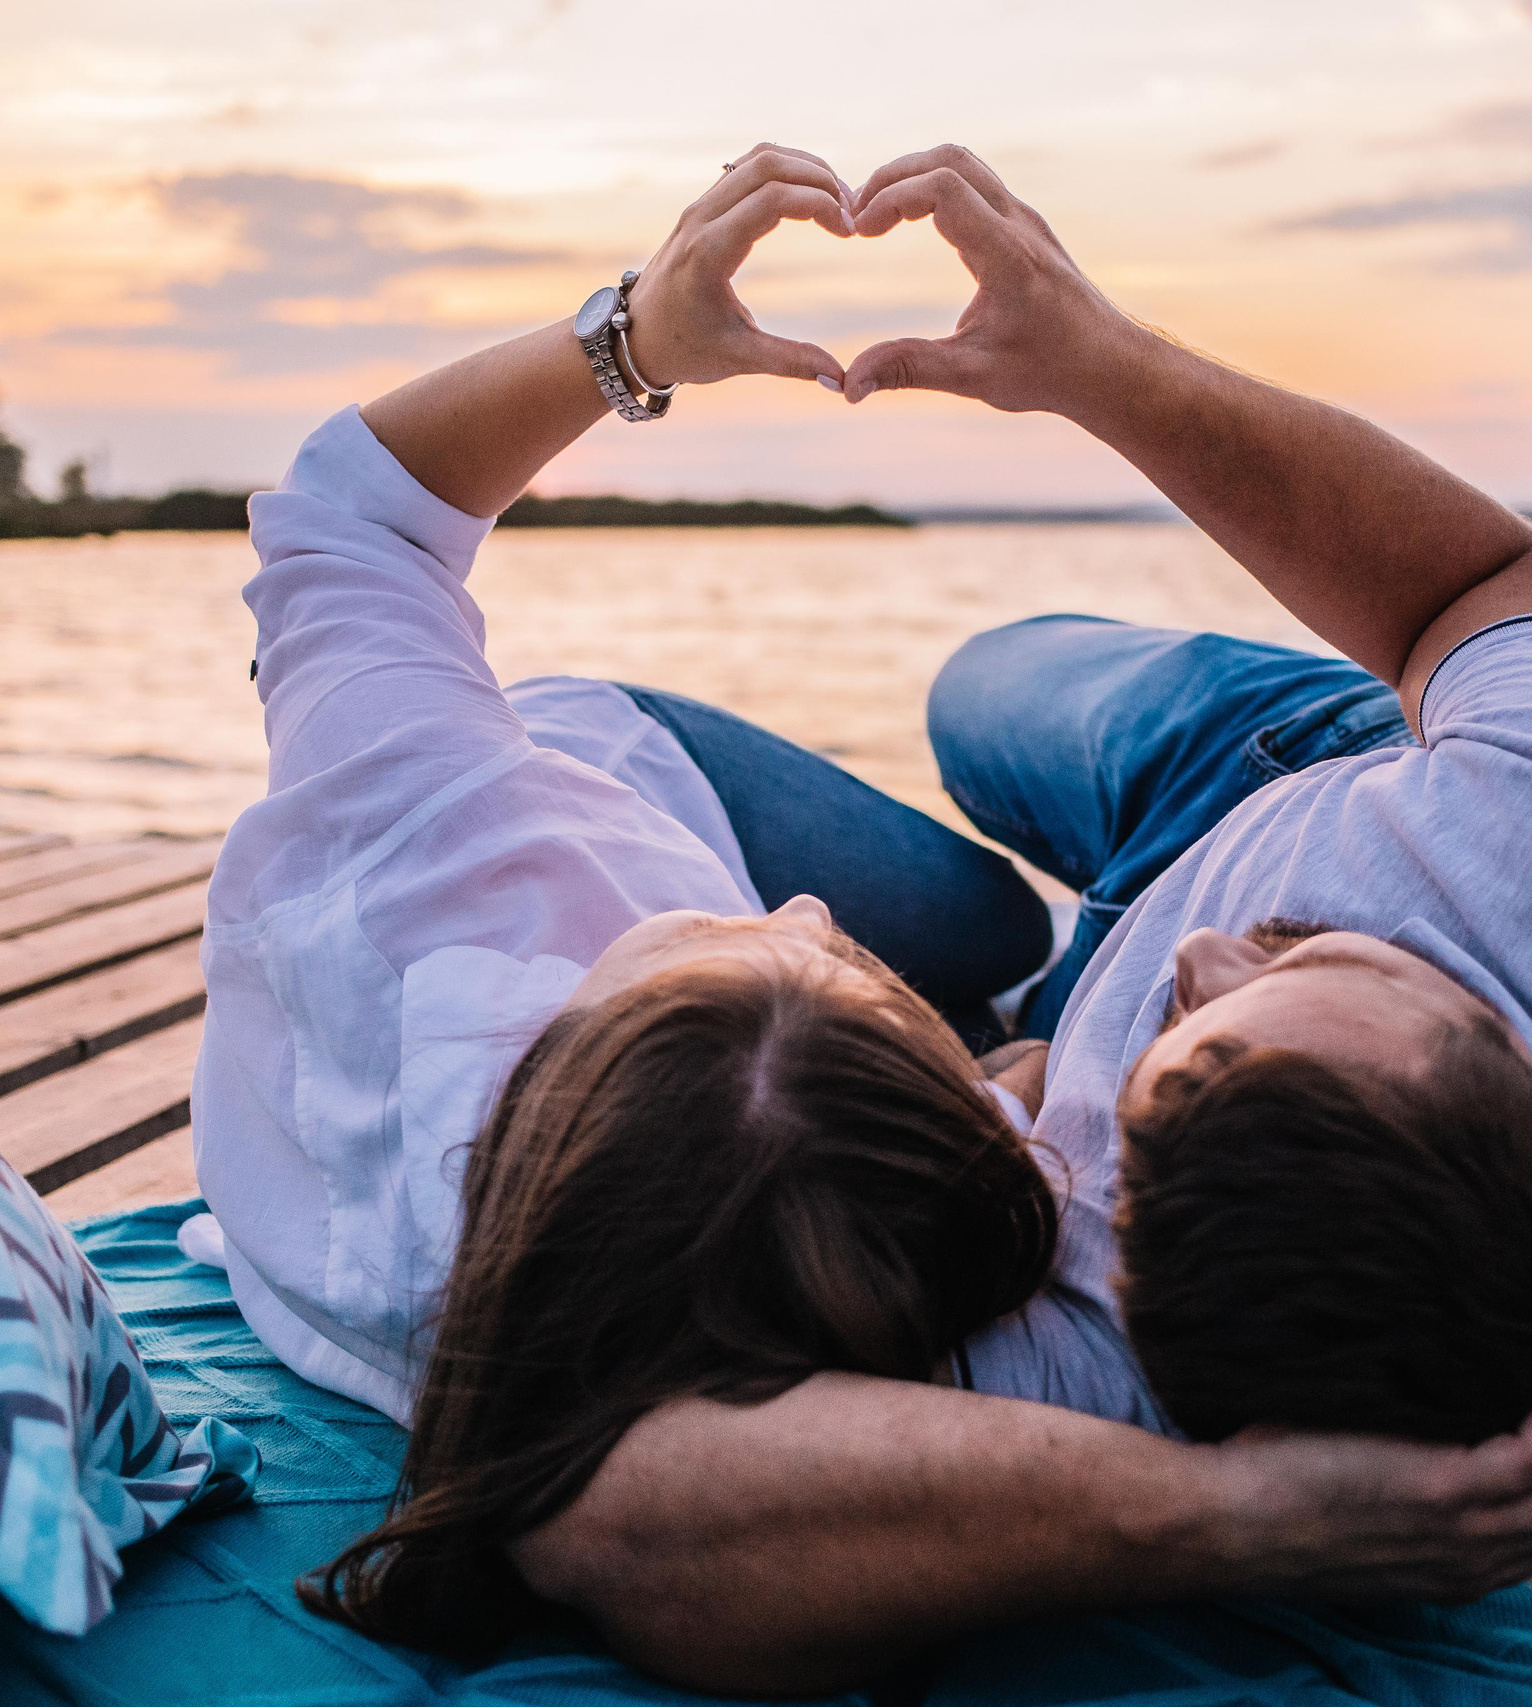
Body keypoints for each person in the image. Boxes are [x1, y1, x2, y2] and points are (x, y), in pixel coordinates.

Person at [509, 143, 1532, 1689]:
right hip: (1320, 758)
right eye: (1316, 958)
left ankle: (1016, 977)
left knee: (567, 729)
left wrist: (1222, 1516)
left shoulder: (1135, 1360)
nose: (1212, 946)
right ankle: (1033, 979)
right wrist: (1096, 363)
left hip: (1190, 964)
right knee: (982, 692)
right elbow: (1465, 588)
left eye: (1179, 1050)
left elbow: (593, 1514)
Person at [186, 144, 1072, 1651]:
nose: (802, 918)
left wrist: (632, 342)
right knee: (1019, 938)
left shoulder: (434, 847)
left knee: (1005, 931)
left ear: (561, 1049)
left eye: (731, 951)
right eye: (844, 981)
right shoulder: (873, 1240)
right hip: (699, 908)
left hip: (605, 752)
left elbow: (352, 514)